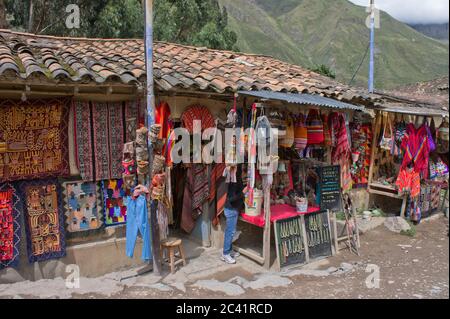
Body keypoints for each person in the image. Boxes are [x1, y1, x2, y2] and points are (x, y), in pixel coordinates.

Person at [221, 165, 244, 264]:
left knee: (231, 231)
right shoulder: (232, 181)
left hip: (233, 208)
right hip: (231, 209)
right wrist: (243, 193)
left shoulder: (235, 179)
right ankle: (225, 253)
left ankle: (228, 251)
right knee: (230, 232)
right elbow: (230, 199)